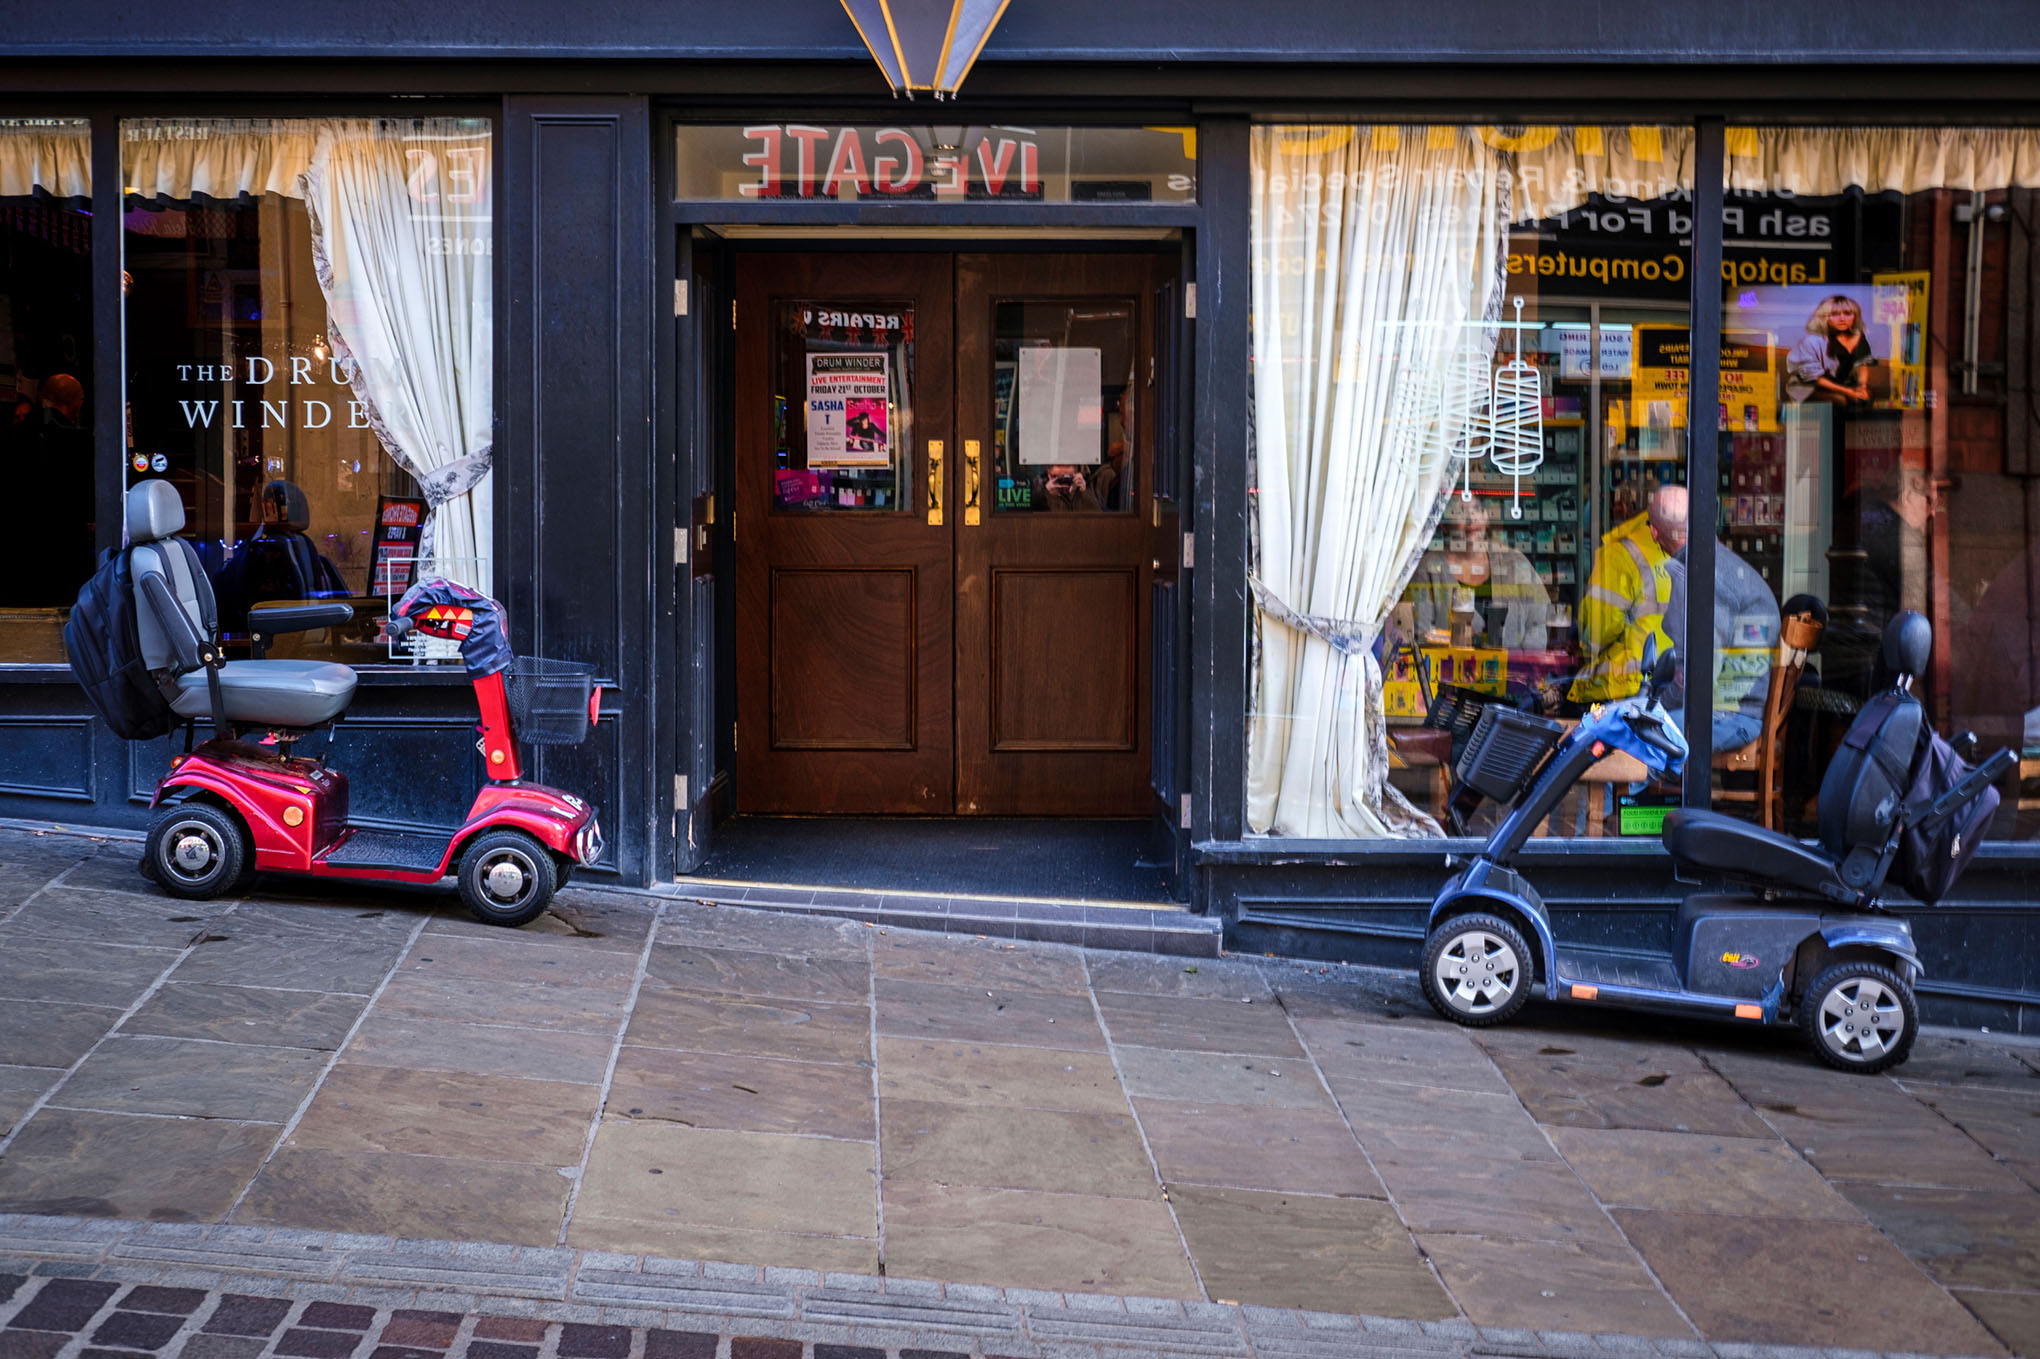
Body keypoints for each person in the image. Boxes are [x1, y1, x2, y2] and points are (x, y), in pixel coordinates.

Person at [1657, 485, 1781, 754]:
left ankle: (1620, 793)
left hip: (1730, 715)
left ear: (1655, 532)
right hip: (1735, 707)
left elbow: (1697, 674)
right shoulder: (1719, 563)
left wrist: (1656, 707)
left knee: (1626, 744)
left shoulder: (1698, 573)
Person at [1568, 483, 1680, 705]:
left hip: (1630, 685)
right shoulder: (1681, 545)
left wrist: (1581, 642)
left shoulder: (1620, 553)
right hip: (1678, 683)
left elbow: (1599, 629)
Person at [1405, 494, 1550, 652]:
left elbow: (1539, 622)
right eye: (1460, 511)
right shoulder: (1428, 567)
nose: (1471, 519)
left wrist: (1520, 666)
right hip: (1450, 673)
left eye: (1477, 509)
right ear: (1444, 525)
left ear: (1487, 518)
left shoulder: (1515, 561)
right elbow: (1421, 634)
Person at [1786, 294, 1876, 406]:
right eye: (1835, 314)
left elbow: (1863, 365)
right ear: (1824, 317)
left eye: (1847, 313)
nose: (1842, 318)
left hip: (1844, 385)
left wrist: (1862, 387)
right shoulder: (1812, 341)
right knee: (1841, 400)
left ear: (1855, 316)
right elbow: (1815, 378)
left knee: (1866, 397)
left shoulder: (1859, 337)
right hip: (1811, 388)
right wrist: (1848, 392)